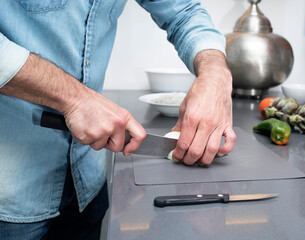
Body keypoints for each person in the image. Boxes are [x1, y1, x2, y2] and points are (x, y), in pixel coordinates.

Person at [0, 0, 236, 239]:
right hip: (10, 198)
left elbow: (183, 12)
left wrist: (216, 74)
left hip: (88, 182)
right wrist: (75, 99)